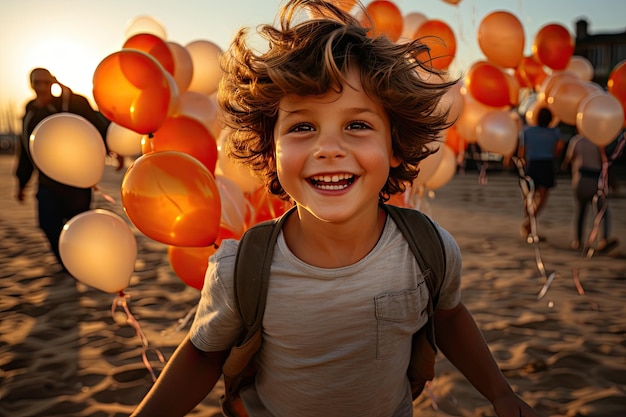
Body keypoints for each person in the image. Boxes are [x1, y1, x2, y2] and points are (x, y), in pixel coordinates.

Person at [131, 1, 538, 416]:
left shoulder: (428, 250)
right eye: (302, 127)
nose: (329, 148)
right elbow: (203, 355)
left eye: (357, 125)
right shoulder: (242, 267)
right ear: (271, 152)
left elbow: (449, 318)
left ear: (394, 146)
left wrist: (499, 392)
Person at [14, 67, 111, 270]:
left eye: (46, 82)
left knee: (79, 227)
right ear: (30, 85)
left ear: (53, 83)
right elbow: (25, 149)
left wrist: (113, 149)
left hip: (76, 182)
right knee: (48, 224)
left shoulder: (67, 105)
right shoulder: (29, 112)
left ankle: (83, 264)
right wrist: (21, 183)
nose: (41, 87)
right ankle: (68, 264)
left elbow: (93, 122)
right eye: (37, 83)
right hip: (47, 183)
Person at [561, 134, 619, 252]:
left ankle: (578, 241)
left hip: (580, 180)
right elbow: (606, 164)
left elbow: (567, 161)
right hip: (596, 181)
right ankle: (604, 239)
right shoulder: (599, 142)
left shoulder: (576, 140)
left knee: (581, 212)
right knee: (603, 212)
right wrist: (612, 182)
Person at [517, 106, 564, 240]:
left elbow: (522, 151)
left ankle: (529, 223)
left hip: (532, 164)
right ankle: (529, 223)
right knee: (542, 196)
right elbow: (557, 150)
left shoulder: (528, 131)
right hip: (546, 163)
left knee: (529, 196)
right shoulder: (555, 132)